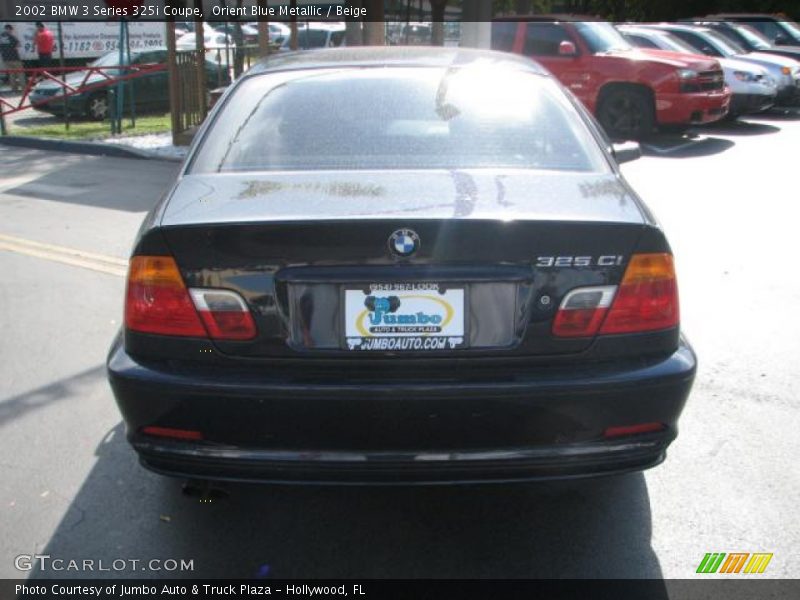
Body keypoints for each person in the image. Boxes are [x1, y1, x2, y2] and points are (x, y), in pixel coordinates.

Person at [0, 24, 24, 92]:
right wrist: (14, 48)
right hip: (15, 58)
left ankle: (14, 90)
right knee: (20, 74)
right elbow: (19, 44)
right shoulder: (11, 36)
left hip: (6, 59)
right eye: (11, 30)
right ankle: (23, 89)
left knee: (11, 75)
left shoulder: (1, 36)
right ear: (10, 29)